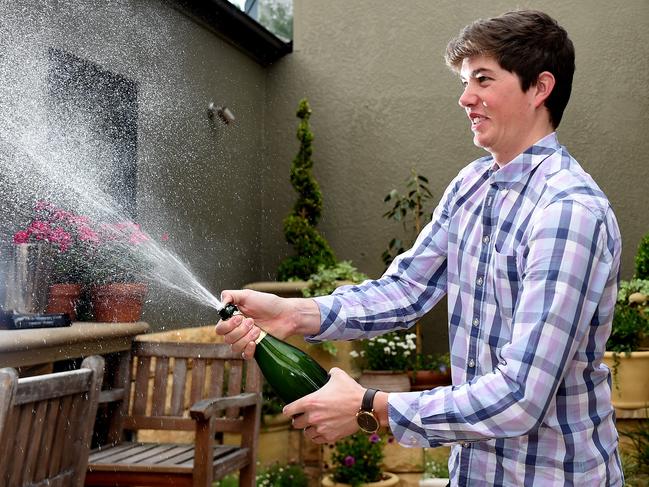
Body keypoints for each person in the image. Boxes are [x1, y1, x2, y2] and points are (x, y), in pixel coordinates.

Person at [216, 9, 623, 486]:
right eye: (465, 81)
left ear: (540, 88)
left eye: (483, 80)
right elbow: (407, 289)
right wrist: (295, 314)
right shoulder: (472, 186)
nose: (465, 98)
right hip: (472, 473)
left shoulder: (567, 211)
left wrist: (371, 407)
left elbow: (521, 395)